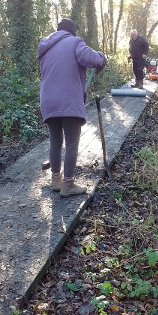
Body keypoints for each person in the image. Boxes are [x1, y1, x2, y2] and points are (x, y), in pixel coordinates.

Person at [37, 18, 106, 197]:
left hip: (48, 100)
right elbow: (91, 58)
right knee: (72, 143)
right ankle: (67, 185)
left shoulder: (46, 47)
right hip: (68, 100)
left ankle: (55, 180)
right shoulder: (75, 42)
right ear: (72, 31)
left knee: (55, 141)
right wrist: (102, 58)